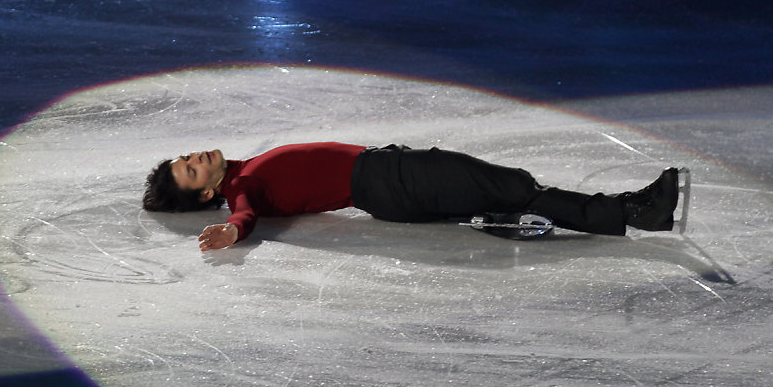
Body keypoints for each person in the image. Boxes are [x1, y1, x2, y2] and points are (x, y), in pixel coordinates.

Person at [142, 142, 682, 251]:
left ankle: (497, 213)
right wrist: (235, 229)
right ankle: (638, 211)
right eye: (191, 170)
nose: (196, 157)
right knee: (515, 185)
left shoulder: (244, 168)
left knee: (510, 192)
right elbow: (246, 212)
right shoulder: (241, 185)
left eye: (186, 156)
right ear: (208, 190)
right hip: (389, 178)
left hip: (388, 188)